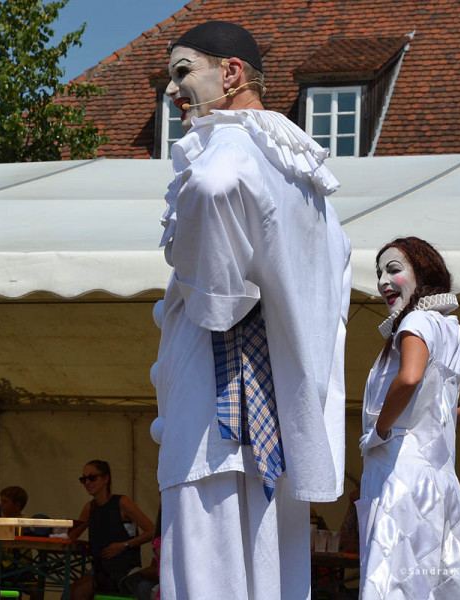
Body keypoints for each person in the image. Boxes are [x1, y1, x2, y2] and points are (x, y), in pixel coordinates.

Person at [152, 20, 351, 600]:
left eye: (182, 72)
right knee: (269, 568)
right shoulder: (301, 168)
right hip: (275, 408)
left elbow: (214, 188)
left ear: (231, 73)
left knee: (205, 564)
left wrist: (218, 297)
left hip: (214, 393)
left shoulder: (230, 149)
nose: (173, 90)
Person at [358, 237, 460, 600]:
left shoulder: (415, 322)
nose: (383, 281)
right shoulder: (454, 331)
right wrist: (443, 419)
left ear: (423, 273)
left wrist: (382, 429)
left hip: (400, 475)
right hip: (440, 481)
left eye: (393, 270)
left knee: (393, 586)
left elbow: (409, 377)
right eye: (379, 273)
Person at [68, 460, 155, 600]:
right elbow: (72, 535)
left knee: (79, 593)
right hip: (100, 568)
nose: (87, 483)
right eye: (83, 479)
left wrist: (124, 545)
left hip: (123, 569)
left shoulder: (122, 502)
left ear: (106, 479)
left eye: (92, 478)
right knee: (70, 592)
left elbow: (151, 531)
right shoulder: (90, 507)